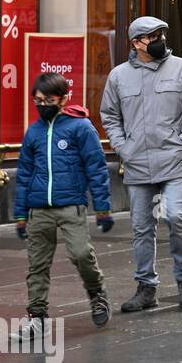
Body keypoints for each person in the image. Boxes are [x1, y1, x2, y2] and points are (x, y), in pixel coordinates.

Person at [101, 16, 182, 311]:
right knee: (141, 228)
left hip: (175, 160)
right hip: (137, 164)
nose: (160, 39)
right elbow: (109, 115)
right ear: (136, 43)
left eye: (162, 33)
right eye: (152, 36)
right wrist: (123, 147)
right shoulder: (119, 76)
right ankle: (146, 287)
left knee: (176, 216)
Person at [12, 73, 114, 342]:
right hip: (38, 208)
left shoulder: (80, 128)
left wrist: (102, 208)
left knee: (81, 254)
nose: (42, 104)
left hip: (71, 205)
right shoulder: (33, 131)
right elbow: (24, 174)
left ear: (63, 98)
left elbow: (97, 168)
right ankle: (37, 317)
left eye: (48, 99)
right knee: (37, 265)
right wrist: (21, 214)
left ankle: (97, 294)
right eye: (37, 100)